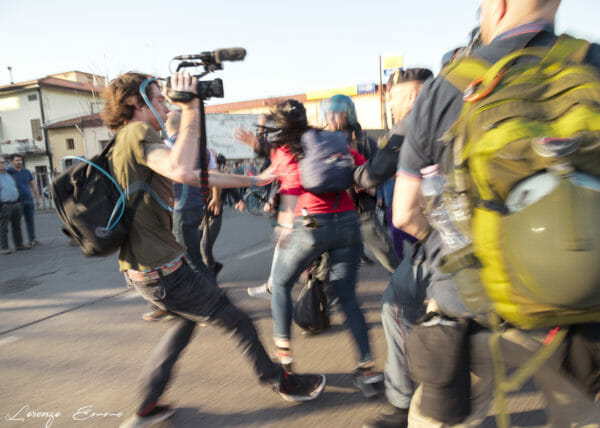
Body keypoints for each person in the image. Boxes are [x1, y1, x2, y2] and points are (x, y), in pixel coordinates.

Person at [393, 1, 600, 426]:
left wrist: (449, 250)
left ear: (499, 6)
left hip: (471, 306)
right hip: (581, 310)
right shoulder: (593, 62)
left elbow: (404, 213)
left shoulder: (451, 84)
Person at [102, 72, 325, 428]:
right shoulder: (136, 132)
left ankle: (147, 405)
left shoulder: (125, 140)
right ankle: (279, 380)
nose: (164, 105)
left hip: (143, 270)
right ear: (135, 103)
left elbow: (193, 176)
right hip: (163, 270)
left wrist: (254, 180)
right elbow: (180, 167)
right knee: (239, 322)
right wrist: (190, 107)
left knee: (183, 326)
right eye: (159, 99)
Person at [234, 99, 383, 397]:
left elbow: (276, 179)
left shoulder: (283, 150)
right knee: (348, 297)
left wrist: (284, 226)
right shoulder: (330, 140)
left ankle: (285, 362)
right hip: (349, 223)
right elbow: (360, 169)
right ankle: (366, 369)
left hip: (313, 224)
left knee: (279, 283)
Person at [355, 68, 433, 428]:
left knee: (395, 305)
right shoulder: (456, 111)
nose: (392, 106)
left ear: (413, 97)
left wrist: (351, 176)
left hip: (439, 238)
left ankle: (404, 405)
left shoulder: (415, 122)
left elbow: (374, 173)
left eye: (395, 99)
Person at [142, 109, 218, 322]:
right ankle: (166, 304)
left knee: (188, 258)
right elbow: (214, 175)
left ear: (168, 126)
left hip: (179, 208)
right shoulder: (202, 150)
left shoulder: (168, 148)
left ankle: (212, 300)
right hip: (196, 206)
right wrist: (216, 198)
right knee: (180, 257)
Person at [323, 94, 399, 273]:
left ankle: (411, 290)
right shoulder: (324, 141)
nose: (330, 117)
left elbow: (382, 172)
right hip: (332, 212)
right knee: (322, 261)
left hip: (362, 211)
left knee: (389, 259)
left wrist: (364, 184)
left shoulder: (364, 142)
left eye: (335, 113)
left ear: (347, 114)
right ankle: (324, 296)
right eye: (328, 113)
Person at [9, 154, 41, 246]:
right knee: (16, 223)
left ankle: (32, 240)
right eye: (17, 160)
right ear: (12, 162)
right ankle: (19, 243)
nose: (20, 162)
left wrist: (38, 198)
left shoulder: (26, 171)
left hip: (28, 200)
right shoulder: (9, 172)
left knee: (30, 221)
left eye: (20, 160)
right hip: (16, 201)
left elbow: (33, 185)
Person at [0, 157, 29, 254]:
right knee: (4, 227)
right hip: (5, 205)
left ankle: (19, 245)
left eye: (3, 162)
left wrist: (19, 200)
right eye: (0, 163)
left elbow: (15, 187)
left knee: (17, 226)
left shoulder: (9, 175)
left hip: (15, 203)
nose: (2, 164)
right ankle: (4, 247)